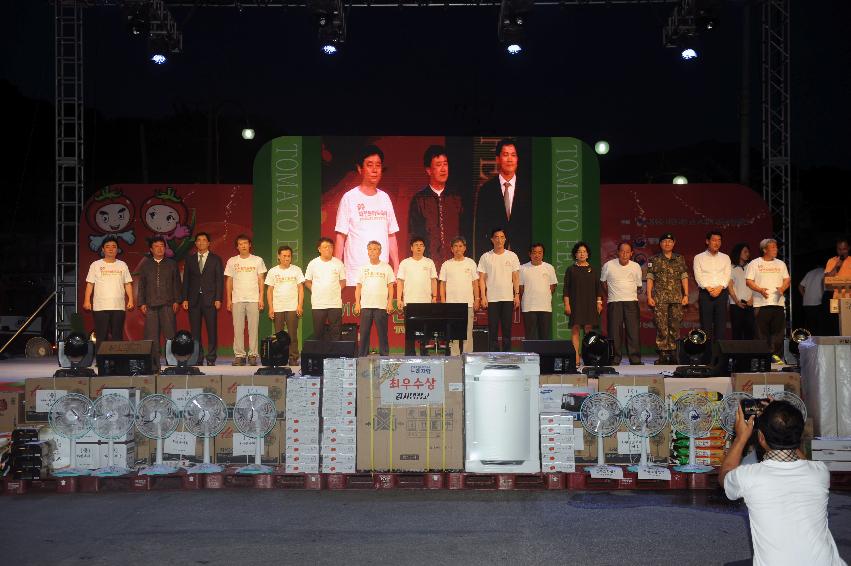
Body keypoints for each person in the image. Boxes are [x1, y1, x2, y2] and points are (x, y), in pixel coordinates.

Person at [720, 401, 847, 566]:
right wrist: (783, 423)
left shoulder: (749, 476)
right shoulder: (820, 472)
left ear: (761, 438)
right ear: (799, 435)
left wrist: (740, 437)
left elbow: (724, 475)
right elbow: (800, 457)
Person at [335, 145, 400, 285]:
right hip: (355, 274)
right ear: (360, 169)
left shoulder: (385, 198)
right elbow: (340, 236)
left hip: (381, 273)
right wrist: (336, 269)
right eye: (370, 165)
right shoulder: (349, 198)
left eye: (378, 165)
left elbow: (391, 235)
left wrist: (396, 266)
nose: (375, 170)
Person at [407, 145, 464, 272]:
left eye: (445, 164)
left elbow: (464, 233)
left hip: (455, 266)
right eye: (438, 165)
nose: (443, 169)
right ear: (428, 170)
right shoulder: (419, 199)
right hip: (428, 267)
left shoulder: (456, 198)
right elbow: (413, 236)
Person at [473, 138, 531, 258]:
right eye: (505, 155)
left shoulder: (529, 189)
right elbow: (480, 231)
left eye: (513, 155)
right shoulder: (486, 190)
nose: (510, 159)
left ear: (517, 159)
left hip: (524, 257)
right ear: (498, 159)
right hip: (494, 257)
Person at [645, 233, 689, 365]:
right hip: (660, 299)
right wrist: (649, 296)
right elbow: (650, 278)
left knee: (675, 326)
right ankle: (663, 354)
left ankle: (675, 353)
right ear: (660, 244)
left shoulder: (679, 259)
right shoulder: (654, 259)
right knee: (661, 326)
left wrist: (686, 294)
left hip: (676, 298)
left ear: (674, 243)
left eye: (670, 241)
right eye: (664, 241)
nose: (667, 244)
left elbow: (684, 277)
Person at [224, 234, 267, 366]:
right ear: (237, 247)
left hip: (253, 299)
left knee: (253, 328)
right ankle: (240, 355)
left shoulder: (257, 260)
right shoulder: (232, 261)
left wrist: (261, 298)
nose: (243, 246)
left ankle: (253, 355)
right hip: (237, 299)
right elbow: (229, 280)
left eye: (245, 243)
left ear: (250, 245)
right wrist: (229, 299)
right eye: (240, 244)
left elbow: (261, 280)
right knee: (238, 329)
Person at [181, 232, 223, 365]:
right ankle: (198, 358)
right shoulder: (190, 259)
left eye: (204, 240)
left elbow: (219, 281)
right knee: (195, 332)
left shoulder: (216, 259)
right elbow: (186, 280)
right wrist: (185, 299)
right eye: (198, 240)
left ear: (208, 243)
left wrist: (218, 298)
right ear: (196, 243)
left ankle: (211, 358)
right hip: (193, 300)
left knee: (211, 330)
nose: (201, 242)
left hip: (210, 299)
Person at [137, 236, 182, 360]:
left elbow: (177, 284)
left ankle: (172, 359)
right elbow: (141, 285)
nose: (159, 248)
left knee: (170, 333)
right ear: (151, 249)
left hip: (168, 303)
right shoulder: (146, 265)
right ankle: (153, 360)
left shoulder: (172, 264)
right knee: (151, 334)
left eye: (162, 246)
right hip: (150, 304)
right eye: (156, 246)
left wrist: (177, 301)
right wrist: (141, 303)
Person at [746, 238, 791, 363]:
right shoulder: (755, 263)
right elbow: (748, 281)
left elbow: (787, 279)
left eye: (776, 247)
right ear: (764, 250)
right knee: (761, 333)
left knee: (778, 333)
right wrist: (760, 290)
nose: (776, 249)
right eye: (772, 247)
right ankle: (761, 358)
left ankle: (776, 357)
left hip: (778, 303)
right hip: (761, 303)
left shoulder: (781, 264)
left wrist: (782, 288)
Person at [83, 237, 134, 341]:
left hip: (118, 306)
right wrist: (87, 300)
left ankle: (117, 357)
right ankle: (101, 357)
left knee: (117, 335)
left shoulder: (122, 265)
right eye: (107, 247)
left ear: (117, 249)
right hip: (100, 306)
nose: (111, 249)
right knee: (101, 335)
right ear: (103, 249)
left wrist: (131, 300)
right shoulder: (95, 265)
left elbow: (127, 283)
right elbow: (90, 284)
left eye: (114, 246)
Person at [601, 242, 643, 365]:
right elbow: (603, 282)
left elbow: (638, 285)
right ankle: (614, 359)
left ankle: (635, 359)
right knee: (614, 332)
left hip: (631, 302)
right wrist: (611, 294)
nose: (624, 254)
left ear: (631, 253)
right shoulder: (608, 265)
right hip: (614, 302)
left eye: (627, 251)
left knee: (633, 331)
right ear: (618, 252)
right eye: (622, 251)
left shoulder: (636, 266)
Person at [478, 228, 521, 351]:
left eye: (502, 237)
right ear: (492, 239)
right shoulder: (485, 257)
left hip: (507, 298)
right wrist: (483, 296)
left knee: (507, 329)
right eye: (496, 237)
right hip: (492, 299)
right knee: (493, 329)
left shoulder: (512, 256)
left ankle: (507, 355)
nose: (499, 240)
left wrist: (517, 295)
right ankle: (493, 355)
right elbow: (482, 278)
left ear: (505, 239)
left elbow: (516, 277)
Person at [563, 241, 604, 366]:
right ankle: (576, 357)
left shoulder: (593, 269)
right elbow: (566, 289)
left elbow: (598, 288)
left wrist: (599, 302)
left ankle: (588, 356)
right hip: (575, 303)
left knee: (588, 330)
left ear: (587, 254)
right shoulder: (571, 269)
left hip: (590, 304)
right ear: (575, 255)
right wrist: (567, 304)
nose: (581, 254)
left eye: (584, 252)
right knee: (575, 329)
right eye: (579, 252)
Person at [396, 236, 438, 355]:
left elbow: (434, 280)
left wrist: (434, 297)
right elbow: (400, 281)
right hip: (409, 302)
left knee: (425, 330)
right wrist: (399, 299)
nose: (419, 247)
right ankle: (410, 354)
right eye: (416, 245)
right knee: (410, 331)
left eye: (421, 245)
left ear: (424, 248)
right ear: (411, 248)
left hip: (425, 303)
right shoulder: (405, 263)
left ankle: (424, 353)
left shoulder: (429, 262)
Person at [439, 236, 480, 355]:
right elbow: (442, 284)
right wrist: (443, 300)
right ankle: (455, 358)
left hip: (468, 304)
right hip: (452, 305)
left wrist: (477, 299)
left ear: (465, 248)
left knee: (468, 333)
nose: (458, 249)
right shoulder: (446, 264)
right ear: (451, 249)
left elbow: (475, 283)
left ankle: (468, 357)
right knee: (453, 334)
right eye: (455, 246)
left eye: (460, 246)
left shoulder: (470, 263)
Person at [265, 245, 305, 366]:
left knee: (293, 334)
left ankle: (293, 357)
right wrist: (271, 307)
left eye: (289, 256)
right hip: (278, 307)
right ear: (279, 256)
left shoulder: (296, 270)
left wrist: (300, 305)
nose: (287, 258)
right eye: (284, 256)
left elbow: (301, 289)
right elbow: (269, 290)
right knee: (279, 335)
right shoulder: (273, 271)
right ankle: (280, 358)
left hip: (292, 307)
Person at [354, 241, 395, 356]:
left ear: (380, 251)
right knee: (364, 333)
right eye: (370, 249)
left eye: (375, 249)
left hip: (381, 306)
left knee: (382, 334)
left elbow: (391, 287)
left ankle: (384, 357)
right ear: (367, 252)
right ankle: (362, 356)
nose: (372, 251)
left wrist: (390, 302)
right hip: (366, 306)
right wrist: (357, 303)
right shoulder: (363, 268)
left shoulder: (386, 267)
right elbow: (358, 287)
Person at [304, 237, 346, 342]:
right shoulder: (313, 263)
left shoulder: (338, 263)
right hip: (318, 304)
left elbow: (343, 281)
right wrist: (316, 290)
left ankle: (335, 357)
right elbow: (307, 281)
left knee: (335, 332)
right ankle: (320, 357)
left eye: (330, 247)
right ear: (319, 249)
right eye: (325, 247)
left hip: (334, 304)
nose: (328, 249)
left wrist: (335, 290)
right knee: (318, 333)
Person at [693, 231, 732, 341]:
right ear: (707, 241)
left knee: (721, 326)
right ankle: (707, 355)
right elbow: (698, 275)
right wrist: (708, 288)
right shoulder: (699, 257)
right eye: (714, 240)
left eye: (719, 240)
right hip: (706, 294)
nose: (717, 243)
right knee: (706, 326)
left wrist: (720, 287)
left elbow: (727, 275)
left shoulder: (725, 258)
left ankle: (720, 357)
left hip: (721, 294)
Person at [519, 243, 558, 340]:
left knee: (544, 336)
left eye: (540, 253)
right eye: (534, 252)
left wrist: (544, 295)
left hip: (545, 307)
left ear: (543, 254)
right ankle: (531, 355)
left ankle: (543, 355)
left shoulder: (549, 267)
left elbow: (553, 286)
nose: (537, 255)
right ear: (530, 254)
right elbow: (520, 287)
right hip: (529, 307)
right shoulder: (522, 268)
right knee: (530, 336)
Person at [728, 243, 755, 340]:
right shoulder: (731, 267)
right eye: (745, 252)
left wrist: (752, 299)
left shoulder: (751, 267)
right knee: (737, 332)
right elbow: (730, 286)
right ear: (738, 253)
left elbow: (755, 285)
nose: (748, 254)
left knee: (750, 332)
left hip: (750, 304)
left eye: (748, 252)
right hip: (736, 305)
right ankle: (737, 355)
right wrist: (736, 301)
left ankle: (750, 355)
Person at [824, 238, 851, 335]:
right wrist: (836, 266)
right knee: (837, 327)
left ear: (848, 248)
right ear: (836, 249)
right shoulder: (832, 261)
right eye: (839, 249)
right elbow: (827, 280)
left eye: (844, 249)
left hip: (849, 298)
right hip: (836, 298)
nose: (842, 251)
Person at [799, 264, 825, 336]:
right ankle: (819, 345)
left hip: (807, 303)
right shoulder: (825, 272)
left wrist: (805, 296)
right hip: (818, 302)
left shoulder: (810, 272)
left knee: (811, 327)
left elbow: (800, 286)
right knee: (820, 327)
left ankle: (811, 345)